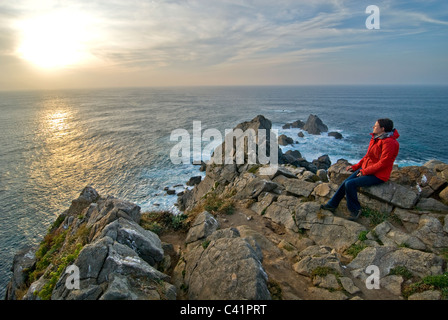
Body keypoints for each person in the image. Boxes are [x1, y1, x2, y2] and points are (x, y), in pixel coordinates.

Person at [321, 118, 400, 221]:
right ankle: (332, 204)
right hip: (367, 169)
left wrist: (364, 171)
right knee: (346, 182)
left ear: (382, 129)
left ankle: (355, 210)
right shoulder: (376, 138)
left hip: (378, 175)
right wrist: (355, 166)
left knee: (350, 184)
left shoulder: (389, 142)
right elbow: (368, 156)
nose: (373, 127)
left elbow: (384, 163)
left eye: (375, 126)